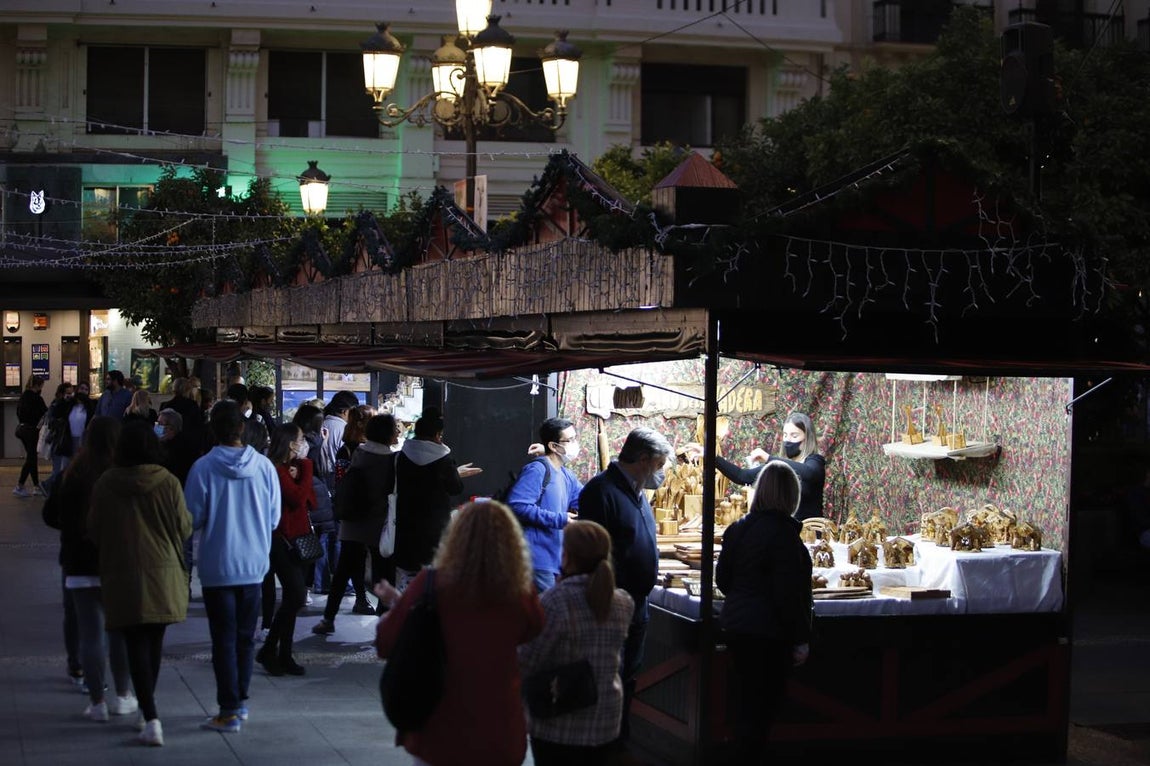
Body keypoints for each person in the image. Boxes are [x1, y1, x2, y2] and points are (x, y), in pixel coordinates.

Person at [374, 500, 544, 766]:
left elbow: (386, 643)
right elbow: (533, 629)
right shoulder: (521, 592)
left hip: (440, 730)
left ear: (455, 537)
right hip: (500, 732)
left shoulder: (430, 585)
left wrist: (399, 608)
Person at [88, 421, 191, 747]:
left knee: (134, 645)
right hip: (163, 574)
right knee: (154, 644)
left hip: (122, 572)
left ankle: (150, 715)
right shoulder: (169, 482)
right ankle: (148, 713)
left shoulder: (106, 483)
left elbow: (94, 529)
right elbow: (184, 527)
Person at [185, 400, 280, 734]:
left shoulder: (202, 468)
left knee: (223, 640)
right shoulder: (265, 467)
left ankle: (229, 709)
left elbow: (191, 518)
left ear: (214, 429)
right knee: (245, 638)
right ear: (243, 428)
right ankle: (239, 701)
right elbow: (273, 518)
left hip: (218, 566)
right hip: (254, 565)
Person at [578, 426, 673, 751]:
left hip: (637, 606)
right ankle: (603, 744)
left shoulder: (638, 493)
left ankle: (619, 741)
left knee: (627, 678)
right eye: (659, 466)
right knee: (607, 678)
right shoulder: (600, 491)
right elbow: (594, 556)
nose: (660, 474)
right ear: (643, 459)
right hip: (611, 606)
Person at [715, 460, 813, 764]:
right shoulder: (785, 536)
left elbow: (723, 580)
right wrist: (800, 639)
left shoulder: (738, 529)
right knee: (761, 712)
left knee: (744, 705)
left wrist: (745, 598)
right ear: (791, 497)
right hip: (770, 633)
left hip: (737, 626)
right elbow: (789, 594)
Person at [42, 416, 137, 724]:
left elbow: (50, 515)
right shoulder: (122, 474)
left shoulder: (71, 474)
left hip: (78, 563)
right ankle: (123, 696)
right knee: (119, 634)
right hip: (116, 563)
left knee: (90, 634)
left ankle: (95, 699)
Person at [518, 520, 635, 766]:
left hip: (560, 723)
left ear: (567, 556)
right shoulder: (623, 602)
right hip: (607, 721)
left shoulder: (555, 601)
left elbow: (527, 660)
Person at [313, 413, 398, 636]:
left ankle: (328, 618)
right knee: (383, 573)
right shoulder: (392, 460)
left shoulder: (356, 452)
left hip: (352, 521)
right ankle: (384, 622)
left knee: (343, 571)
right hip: (378, 524)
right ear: (388, 434)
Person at [393, 407, 481, 591]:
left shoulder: (402, 456)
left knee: (407, 574)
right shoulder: (443, 458)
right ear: (437, 434)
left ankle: (404, 609)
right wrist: (455, 474)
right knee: (433, 574)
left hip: (406, 520)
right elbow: (455, 488)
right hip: (434, 524)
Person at [257, 423, 315, 677]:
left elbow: (310, 498)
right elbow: (298, 499)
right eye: (301, 439)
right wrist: (306, 467)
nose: (304, 443)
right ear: (292, 443)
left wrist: (300, 473)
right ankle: (271, 649)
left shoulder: (290, 470)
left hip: (297, 538)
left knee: (293, 597)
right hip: (282, 539)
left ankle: (283, 653)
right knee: (297, 595)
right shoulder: (277, 470)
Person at [696, 411, 826, 521]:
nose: (788, 440)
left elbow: (809, 473)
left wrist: (769, 458)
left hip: (810, 536)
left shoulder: (815, 461)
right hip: (785, 533)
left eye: (794, 435)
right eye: (785, 435)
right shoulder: (777, 466)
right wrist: (712, 457)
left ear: (807, 438)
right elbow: (742, 476)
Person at [507, 417, 584, 592]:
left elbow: (586, 499)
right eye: (569, 440)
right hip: (536, 559)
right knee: (547, 615)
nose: (575, 444)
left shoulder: (566, 475)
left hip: (554, 559)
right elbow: (518, 505)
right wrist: (559, 519)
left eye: (575, 438)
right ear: (554, 446)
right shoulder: (538, 470)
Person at [46, 381, 95, 494]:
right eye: (81, 388)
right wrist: (64, 399)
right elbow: (56, 414)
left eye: (86, 389)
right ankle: (60, 489)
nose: (83, 391)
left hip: (83, 440)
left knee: (82, 467)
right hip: (68, 440)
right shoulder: (69, 404)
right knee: (66, 467)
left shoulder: (90, 406)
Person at [14, 374, 48, 497]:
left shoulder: (23, 396)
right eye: (41, 386)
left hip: (22, 430)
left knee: (32, 457)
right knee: (31, 459)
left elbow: (19, 413)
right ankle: (20, 485)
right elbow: (45, 412)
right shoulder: (36, 399)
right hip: (32, 432)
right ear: (38, 386)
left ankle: (35, 485)